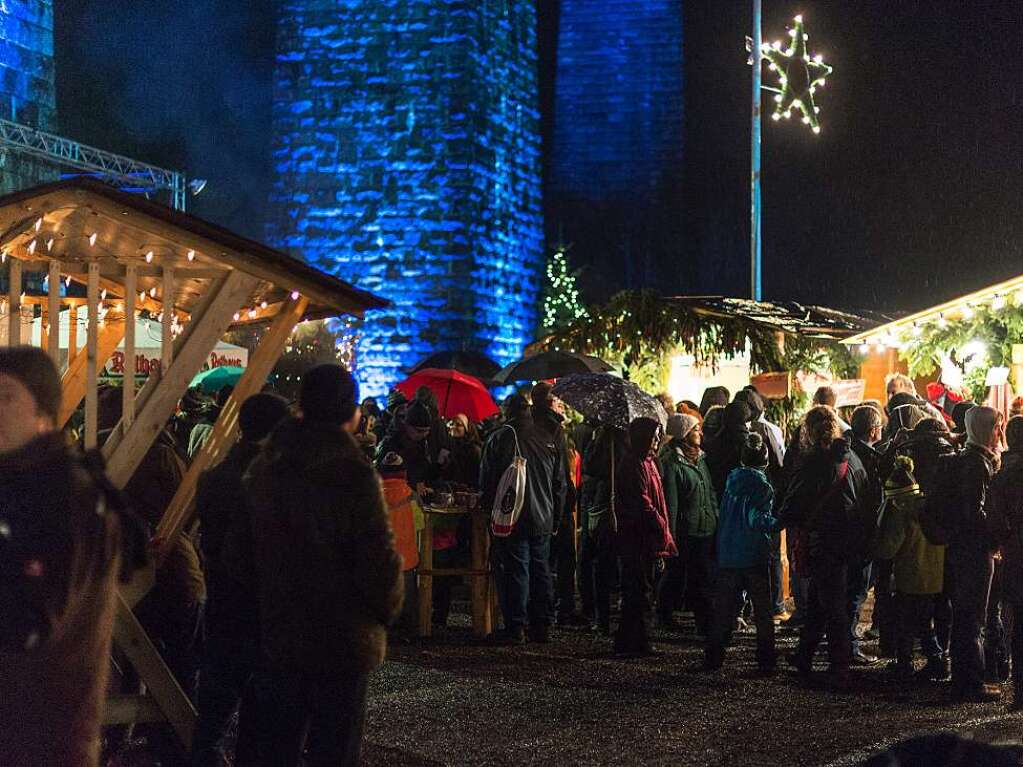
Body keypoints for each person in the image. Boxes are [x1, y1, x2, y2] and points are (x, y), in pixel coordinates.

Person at [244, 364, 403, 765]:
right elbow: (377, 561)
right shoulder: (352, 473)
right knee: (334, 749)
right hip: (342, 637)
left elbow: (238, 554)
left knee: (277, 748)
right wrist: (385, 611)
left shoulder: (266, 469)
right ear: (351, 413)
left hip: (281, 632)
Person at [0, 347, 143, 766]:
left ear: (43, 410)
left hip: (36, 738)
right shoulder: (19, 486)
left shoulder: (61, 496)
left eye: (7, 396)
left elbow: (25, 624)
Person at [191, 393, 290, 766]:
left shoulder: (212, 479)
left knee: (212, 718)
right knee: (259, 722)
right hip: (262, 611)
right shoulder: (273, 483)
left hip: (222, 604)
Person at [779, 405, 870, 688]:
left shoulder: (814, 462)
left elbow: (796, 501)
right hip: (849, 540)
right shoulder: (853, 458)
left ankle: (839, 666)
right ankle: (804, 655)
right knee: (822, 601)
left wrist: (782, 520)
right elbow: (866, 495)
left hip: (824, 541)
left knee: (831, 605)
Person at [481, 394, 566, 644]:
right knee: (541, 569)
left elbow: (487, 479)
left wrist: (489, 509)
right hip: (544, 516)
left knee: (516, 569)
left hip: (513, 516)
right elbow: (559, 483)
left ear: (508, 411)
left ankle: (515, 627)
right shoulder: (547, 436)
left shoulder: (500, 437)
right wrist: (556, 517)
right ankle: (542, 626)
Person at [705, 433, 779, 673]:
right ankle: (766, 659)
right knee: (763, 611)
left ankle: (714, 655)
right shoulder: (762, 486)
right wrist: (777, 523)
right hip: (753, 554)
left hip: (728, 552)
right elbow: (757, 519)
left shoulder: (731, 480)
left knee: (723, 608)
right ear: (765, 460)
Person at [872, 457, 946, 680]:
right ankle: (937, 660)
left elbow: (888, 549)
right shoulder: (929, 506)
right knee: (924, 620)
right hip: (933, 576)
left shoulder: (900, 511)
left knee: (905, 622)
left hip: (909, 576)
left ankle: (911, 663)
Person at [614, 417, 677, 656]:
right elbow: (641, 501)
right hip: (636, 536)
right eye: (653, 436)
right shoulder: (633, 464)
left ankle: (632, 640)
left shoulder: (649, 462)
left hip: (647, 536)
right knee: (638, 590)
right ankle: (636, 641)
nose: (657, 441)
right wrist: (659, 523)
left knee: (643, 588)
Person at [659, 412, 718, 637]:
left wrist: (715, 515)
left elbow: (709, 490)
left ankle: (703, 621)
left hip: (705, 528)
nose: (700, 433)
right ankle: (665, 613)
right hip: (686, 531)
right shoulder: (672, 463)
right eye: (695, 429)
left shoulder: (701, 458)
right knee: (677, 574)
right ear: (684, 434)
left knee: (701, 576)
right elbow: (671, 503)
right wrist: (670, 536)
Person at [532, 382, 582, 625]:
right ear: (548, 403)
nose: (562, 405)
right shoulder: (553, 429)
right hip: (554, 503)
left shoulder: (534, 426)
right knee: (560, 559)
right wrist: (563, 505)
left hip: (546, 502)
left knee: (546, 560)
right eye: (558, 400)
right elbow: (559, 475)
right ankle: (559, 610)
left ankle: (549, 610)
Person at [988, 416, 1023, 708]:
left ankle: (1022, 691)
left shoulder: (1002, 476)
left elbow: (997, 522)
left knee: (1018, 625)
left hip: (1015, 557)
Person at [578, 423, 625, 634]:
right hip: (607, 506)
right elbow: (590, 467)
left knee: (604, 563)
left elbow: (590, 468)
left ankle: (602, 616)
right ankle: (602, 615)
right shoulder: (604, 439)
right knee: (603, 562)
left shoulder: (610, 440)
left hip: (612, 505)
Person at [847, 405, 884, 666]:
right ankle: (848, 645)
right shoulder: (867, 458)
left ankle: (842, 642)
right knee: (856, 593)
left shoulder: (845, 451)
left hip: (847, 533)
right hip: (860, 534)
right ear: (873, 431)